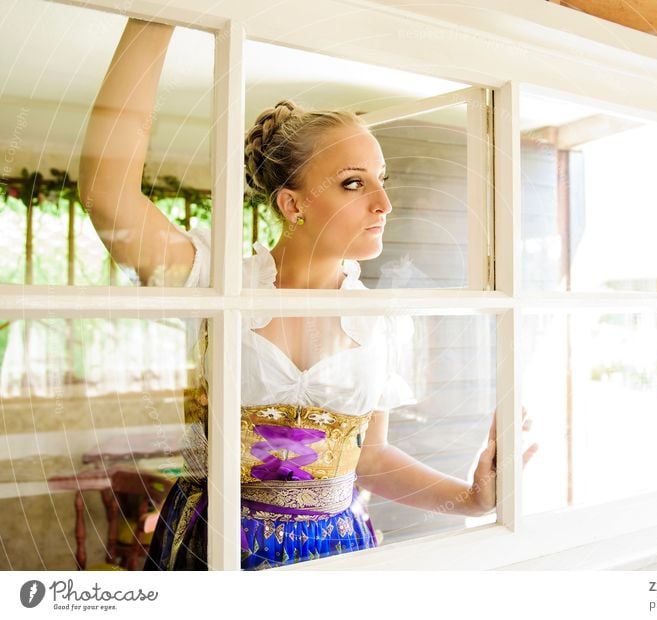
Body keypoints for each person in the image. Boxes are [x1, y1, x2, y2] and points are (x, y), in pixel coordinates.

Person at [79, 18, 538, 570]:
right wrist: (158, 14)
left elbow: (371, 460)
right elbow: (107, 193)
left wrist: (471, 499)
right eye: (353, 182)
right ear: (293, 204)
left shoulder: (381, 321)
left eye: (381, 180)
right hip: (214, 542)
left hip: (335, 551)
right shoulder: (216, 277)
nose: (383, 204)